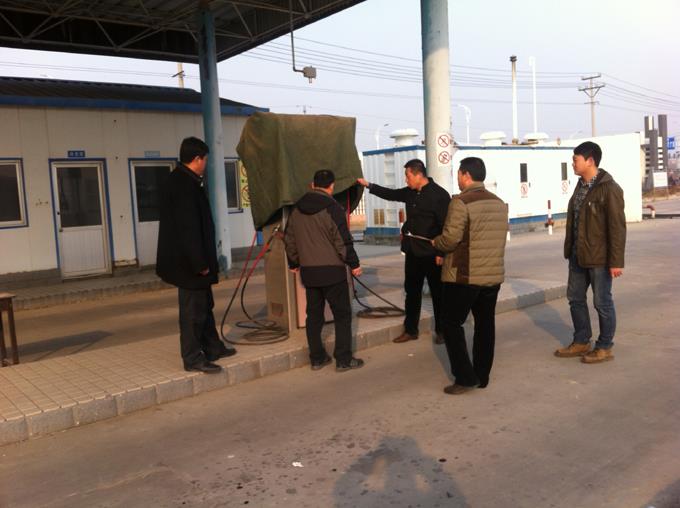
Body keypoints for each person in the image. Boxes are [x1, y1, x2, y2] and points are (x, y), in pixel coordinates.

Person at [156, 136, 237, 374]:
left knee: (204, 305)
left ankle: (212, 347)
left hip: (190, 261)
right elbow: (187, 228)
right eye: (205, 159)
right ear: (197, 159)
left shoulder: (184, 180)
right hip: (189, 264)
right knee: (193, 312)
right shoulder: (183, 185)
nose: (206, 164)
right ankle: (192, 358)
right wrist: (199, 263)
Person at [432, 157, 508, 395]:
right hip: (492, 276)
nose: (457, 178)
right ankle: (482, 376)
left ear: (465, 175)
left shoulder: (461, 202)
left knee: (450, 324)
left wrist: (436, 243)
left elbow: (450, 239)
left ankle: (465, 377)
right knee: (485, 325)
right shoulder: (498, 203)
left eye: (458, 173)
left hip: (464, 276)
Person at [357, 159, 450, 345]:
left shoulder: (439, 195)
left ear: (418, 175)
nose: (406, 180)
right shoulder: (410, 192)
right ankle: (410, 330)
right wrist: (369, 185)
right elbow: (391, 194)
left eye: (408, 176)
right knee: (412, 292)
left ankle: (442, 331)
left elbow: (445, 226)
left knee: (438, 294)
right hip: (413, 251)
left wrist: (441, 253)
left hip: (433, 254)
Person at [284, 169, 365, 372]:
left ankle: (317, 358)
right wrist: (354, 264)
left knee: (314, 316)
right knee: (342, 315)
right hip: (332, 272)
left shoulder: (296, 209)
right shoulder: (333, 208)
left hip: (309, 273)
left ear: (313, 185)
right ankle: (343, 359)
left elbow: (289, 239)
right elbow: (343, 241)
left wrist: (293, 263)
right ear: (332, 186)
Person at [554, 141, 626, 364]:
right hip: (577, 255)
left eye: (575, 159)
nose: (573, 163)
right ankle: (581, 341)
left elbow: (617, 227)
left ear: (590, 161)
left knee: (601, 302)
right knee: (575, 299)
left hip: (600, 258)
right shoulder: (580, 186)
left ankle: (604, 346)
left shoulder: (609, 188)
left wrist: (616, 261)